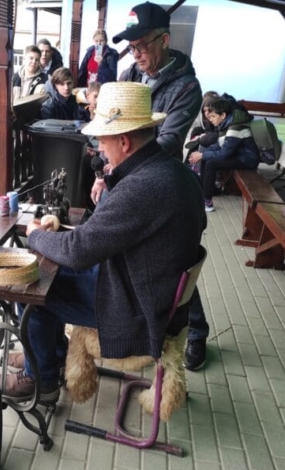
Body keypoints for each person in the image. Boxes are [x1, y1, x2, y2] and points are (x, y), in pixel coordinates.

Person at [0, 82, 205, 401]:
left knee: (28, 287)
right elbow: (101, 237)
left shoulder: (144, 186)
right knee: (49, 275)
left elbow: (79, 252)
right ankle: (46, 355)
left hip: (136, 309)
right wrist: (63, 233)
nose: (101, 149)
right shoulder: (174, 170)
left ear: (124, 141)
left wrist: (36, 235)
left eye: (103, 141)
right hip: (149, 290)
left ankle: (41, 379)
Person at [98, 2, 209, 371]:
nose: (136, 54)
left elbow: (169, 140)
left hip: (161, 182)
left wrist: (122, 166)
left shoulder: (186, 86)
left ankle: (194, 330)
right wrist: (104, 170)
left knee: (173, 259)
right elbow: (111, 125)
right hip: (126, 174)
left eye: (142, 45)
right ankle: (132, 314)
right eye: (131, 47)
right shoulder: (129, 73)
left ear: (164, 40)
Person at [189, 97, 259, 212]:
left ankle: (207, 202)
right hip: (238, 155)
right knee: (206, 158)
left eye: (213, 116)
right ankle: (202, 192)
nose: (210, 119)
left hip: (247, 160)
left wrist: (202, 155)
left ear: (223, 115)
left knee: (211, 163)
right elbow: (219, 145)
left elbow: (223, 154)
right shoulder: (226, 125)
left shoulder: (235, 128)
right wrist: (201, 154)